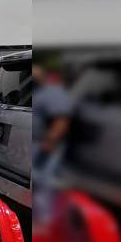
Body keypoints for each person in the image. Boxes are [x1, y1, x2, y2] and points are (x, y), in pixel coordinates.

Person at [31, 59, 72, 227]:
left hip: (45, 144)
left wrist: (50, 142)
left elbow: (61, 119)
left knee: (44, 183)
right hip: (34, 143)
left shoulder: (52, 93)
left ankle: (46, 222)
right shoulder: (34, 93)